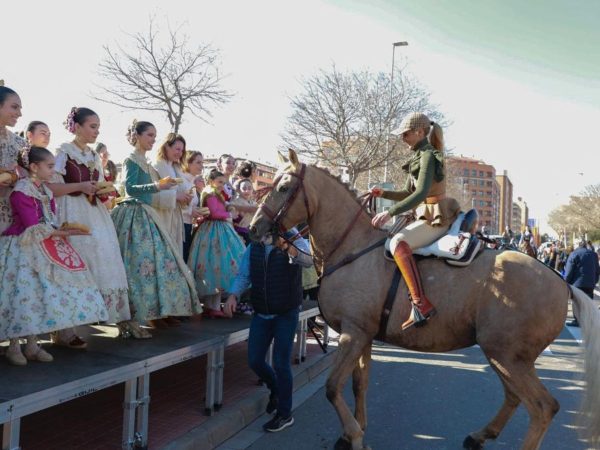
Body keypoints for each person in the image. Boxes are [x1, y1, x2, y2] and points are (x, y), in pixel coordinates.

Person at [0, 146, 108, 365]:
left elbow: (48, 219)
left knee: (41, 294)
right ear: (33, 167)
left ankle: (32, 345)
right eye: (49, 166)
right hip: (23, 245)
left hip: (44, 243)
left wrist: (63, 230)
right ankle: (14, 347)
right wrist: (62, 232)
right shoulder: (22, 191)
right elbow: (32, 225)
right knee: (22, 294)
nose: (53, 170)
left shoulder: (45, 190)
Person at [370, 112, 460, 329]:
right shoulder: (420, 155)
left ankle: (420, 304)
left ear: (420, 132)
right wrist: (383, 194)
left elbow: (419, 194)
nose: (403, 138)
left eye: (406, 133)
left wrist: (390, 213)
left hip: (436, 215)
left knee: (398, 242)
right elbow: (406, 192)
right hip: (425, 212)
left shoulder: (428, 156)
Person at [111, 120, 201, 335]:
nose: (153, 139)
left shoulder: (146, 162)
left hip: (146, 215)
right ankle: (131, 318)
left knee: (149, 268)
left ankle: (149, 313)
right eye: (149, 135)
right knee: (135, 268)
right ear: (137, 136)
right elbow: (130, 189)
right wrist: (158, 186)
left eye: (154, 135)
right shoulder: (131, 159)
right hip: (134, 216)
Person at [52, 107, 131, 346]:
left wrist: (104, 189)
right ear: (77, 127)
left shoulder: (94, 156)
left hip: (95, 213)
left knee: (102, 258)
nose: (97, 131)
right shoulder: (63, 152)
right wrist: (80, 187)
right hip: (71, 211)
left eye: (98, 127)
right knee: (74, 264)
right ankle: (65, 329)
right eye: (92, 126)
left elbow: (97, 183)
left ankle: (93, 316)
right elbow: (52, 188)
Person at [223, 228, 312, 432]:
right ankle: (276, 389)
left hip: (286, 312)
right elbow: (244, 274)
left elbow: (308, 260)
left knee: (281, 364)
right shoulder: (255, 242)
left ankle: (285, 413)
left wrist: (289, 247)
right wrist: (233, 295)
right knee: (254, 360)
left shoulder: (292, 235)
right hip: (262, 312)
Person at [187, 169, 245, 318]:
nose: (221, 185)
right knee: (214, 265)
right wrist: (229, 214)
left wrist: (229, 208)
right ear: (211, 181)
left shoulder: (215, 192)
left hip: (220, 229)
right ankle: (211, 305)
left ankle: (213, 304)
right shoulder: (210, 193)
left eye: (223, 183)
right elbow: (214, 213)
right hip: (213, 230)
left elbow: (223, 206)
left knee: (219, 266)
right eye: (219, 182)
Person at [153, 133, 193, 255]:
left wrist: (186, 198)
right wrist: (175, 196)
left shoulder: (176, 169)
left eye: (182, 150)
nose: (180, 153)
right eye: (177, 149)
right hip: (161, 217)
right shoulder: (155, 166)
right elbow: (152, 194)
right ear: (166, 147)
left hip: (175, 217)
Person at [0, 85, 27, 234]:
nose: (20, 113)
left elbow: (29, 178)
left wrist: (16, 177)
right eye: (15, 107)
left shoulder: (20, 143)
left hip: (11, 214)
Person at [565, 238, 600, 327]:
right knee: (588, 302)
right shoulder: (593, 254)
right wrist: (594, 281)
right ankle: (587, 320)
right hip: (590, 283)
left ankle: (578, 320)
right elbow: (597, 270)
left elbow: (569, 272)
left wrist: (566, 282)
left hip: (577, 283)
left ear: (577, 245)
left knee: (577, 303)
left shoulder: (574, 254)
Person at [182, 150, 208, 261]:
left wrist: (198, 210)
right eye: (198, 162)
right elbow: (174, 204)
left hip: (188, 225)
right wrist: (190, 212)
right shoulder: (181, 181)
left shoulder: (191, 182)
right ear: (188, 162)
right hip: (179, 226)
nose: (201, 166)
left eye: (202, 163)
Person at [230, 178, 257, 244]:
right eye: (244, 188)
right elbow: (230, 220)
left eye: (249, 188)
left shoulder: (254, 203)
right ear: (239, 190)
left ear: (252, 190)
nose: (247, 191)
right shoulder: (234, 203)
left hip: (250, 234)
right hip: (238, 234)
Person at [95, 143, 119, 209]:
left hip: (110, 205)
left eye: (107, 154)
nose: (105, 157)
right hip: (101, 208)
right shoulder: (95, 173)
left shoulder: (109, 172)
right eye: (103, 154)